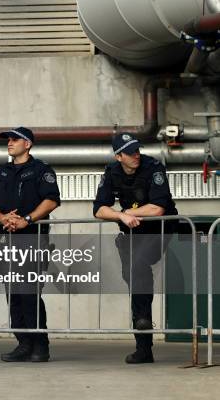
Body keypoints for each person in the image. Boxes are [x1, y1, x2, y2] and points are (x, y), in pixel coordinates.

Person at [94, 132, 178, 364]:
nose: (136, 155)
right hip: (133, 231)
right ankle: (144, 346)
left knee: (139, 263)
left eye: (137, 150)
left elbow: (157, 209)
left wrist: (127, 214)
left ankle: (142, 320)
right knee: (132, 275)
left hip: (159, 228)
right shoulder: (112, 172)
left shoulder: (153, 167)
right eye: (130, 152)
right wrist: (120, 216)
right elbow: (99, 209)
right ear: (119, 156)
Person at [0, 127, 60, 362]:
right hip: (6, 242)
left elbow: (51, 201)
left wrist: (26, 220)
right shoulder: (2, 173)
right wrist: (3, 218)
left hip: (33, 240)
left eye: (15, 139)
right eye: (8, 139)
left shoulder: (41, 171)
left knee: (29, 294)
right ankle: (23, 343)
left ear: (27, 144)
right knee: (13, 295)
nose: (10, 142)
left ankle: (40, 345)